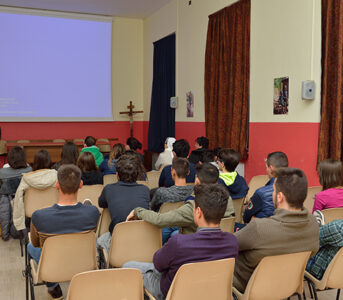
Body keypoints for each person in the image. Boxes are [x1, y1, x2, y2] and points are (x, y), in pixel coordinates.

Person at [123, 184, 239, 300]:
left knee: (128, 266)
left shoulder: (179, 242)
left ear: (198, 212)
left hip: (172, 293)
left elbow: (158, 264)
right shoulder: (232, 242)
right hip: (211, 291)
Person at [233, 167, 319, 293]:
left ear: (280, 197)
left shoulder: (259, 228)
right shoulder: (313, 224)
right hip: (287, 285)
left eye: (273, 190)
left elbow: (229, 244)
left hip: (246, 286)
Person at [27, 164, 100, 299]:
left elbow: (37, 244)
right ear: (81, 185)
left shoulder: (39, 216)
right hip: (82, 263)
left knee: (30, 246)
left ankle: (53, 286)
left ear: (56, 185)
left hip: (53, 265)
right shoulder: (93, 212)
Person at [126, 163, 235, 236]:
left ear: (196, 180)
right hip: (218, 247)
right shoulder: (227, 200)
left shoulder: (194, 207)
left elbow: (159, 220)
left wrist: (137, 211)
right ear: (216, 182)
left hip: (193, 246)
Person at [97, 154, 150, 251]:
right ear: (137, 174)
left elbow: (101, 204)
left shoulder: (109, 189)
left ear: (117, 175)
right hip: (141, 239)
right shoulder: (145, 190)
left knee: (99, 240)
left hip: (117, 241)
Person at [13, 150, 57, 231]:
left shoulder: (26, 178)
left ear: (35, 162)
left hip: (31, 211)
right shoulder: (56, 175)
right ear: (50, 161)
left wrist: (19, 224)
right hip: (53, 211)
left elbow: (18, 198)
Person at [242, 151, 288, 224]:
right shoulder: (294, 190)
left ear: (271, 168)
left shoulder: (261, 193)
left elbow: (246, 217)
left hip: (263, 232)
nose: (266, 170)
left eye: (266, 167)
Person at [0, 147, 32, 240]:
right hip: (28, 221)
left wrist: (5, 235)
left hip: (13, 225)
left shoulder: (1, 173)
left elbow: (4, 211)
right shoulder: (29, 170)